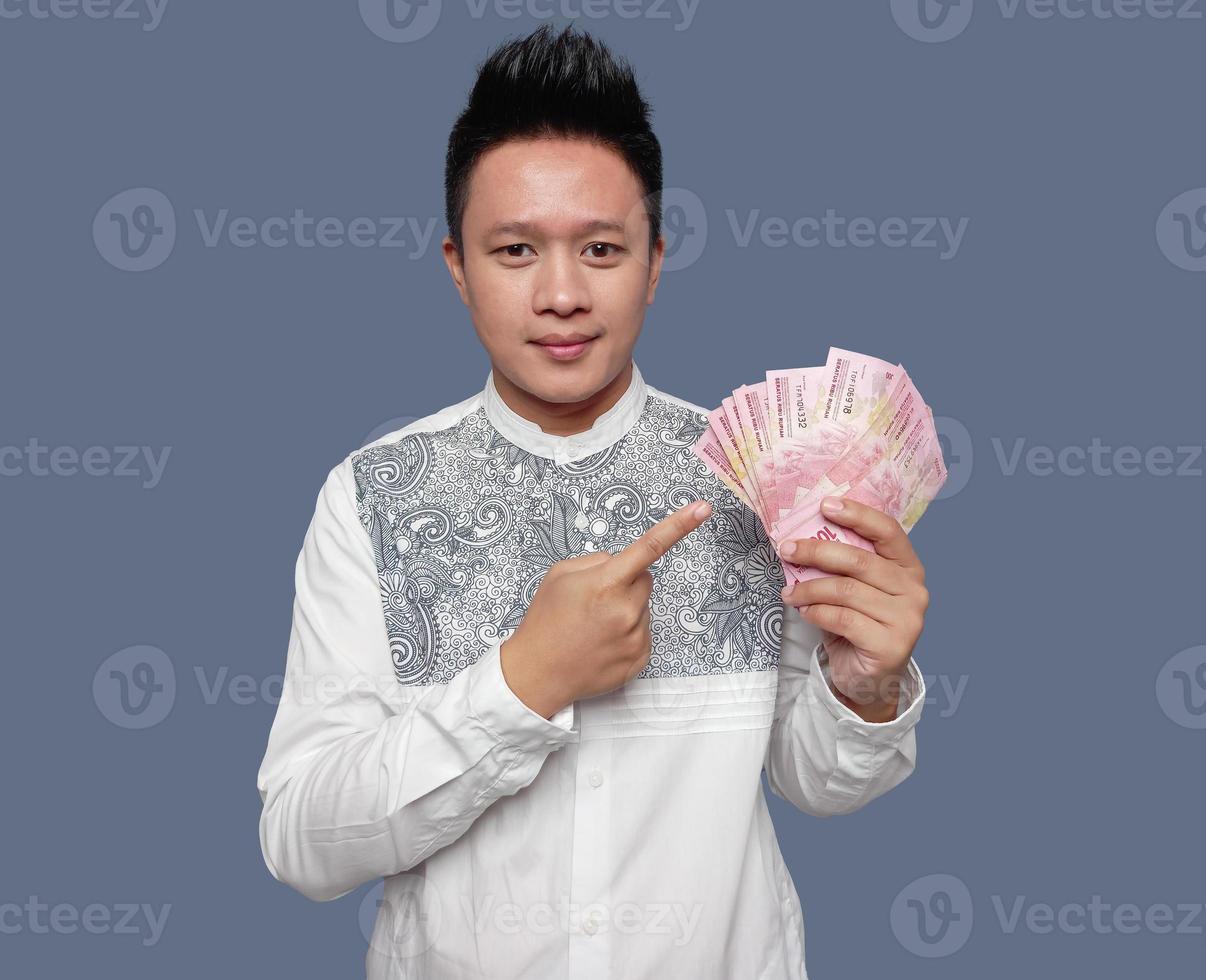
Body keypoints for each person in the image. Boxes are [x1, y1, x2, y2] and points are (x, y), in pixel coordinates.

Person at [255, 23, 932, 979]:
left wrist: (862, 688)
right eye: (517, 249)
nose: (562, 294)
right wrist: (521, 684)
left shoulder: (752, 481)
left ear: (656, 260)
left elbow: (817, 780)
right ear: (457, 265)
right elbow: (304, 841)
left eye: (603, 249)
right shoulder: (370, 496)